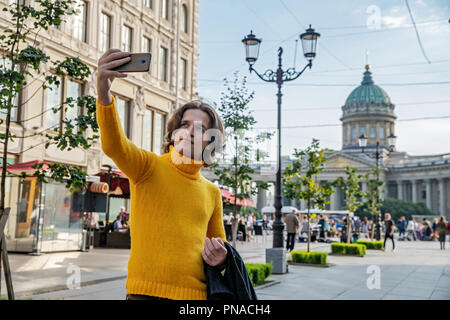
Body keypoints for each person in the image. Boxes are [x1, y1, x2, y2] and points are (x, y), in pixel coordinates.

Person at [97, 49, 227, 300]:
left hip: (196, 297)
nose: (190, 132)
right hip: (144, 294)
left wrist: (222, 258)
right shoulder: (148, 167)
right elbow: (114, 145)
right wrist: (103, 92)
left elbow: (218, 252)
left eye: (200, 128)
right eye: (185, 124)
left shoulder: (212, 193)